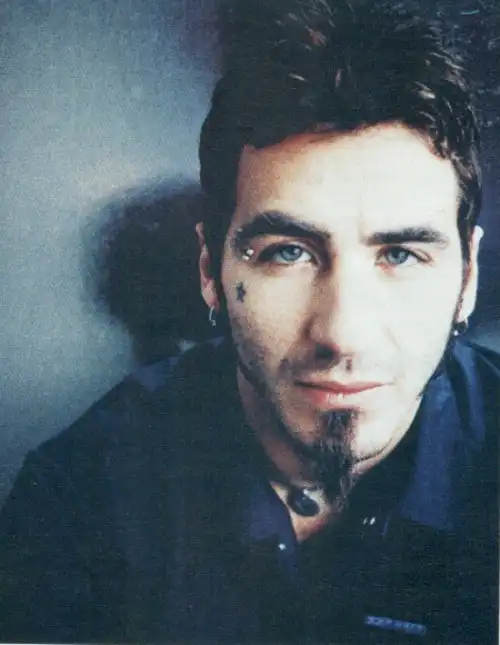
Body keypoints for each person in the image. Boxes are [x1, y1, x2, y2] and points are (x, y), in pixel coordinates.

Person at [0, 1, 498, 642]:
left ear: (468, 277)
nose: (343, 334)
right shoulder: (79, 496)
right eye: (287, 253)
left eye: (400, 255)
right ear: (211, 269)